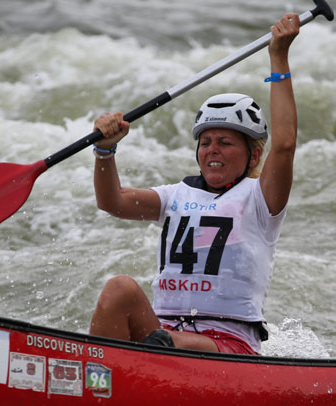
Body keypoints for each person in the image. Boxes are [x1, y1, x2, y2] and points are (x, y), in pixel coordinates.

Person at [86, 13, 300, 355]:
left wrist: (279, 56)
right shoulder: (175, 196)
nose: (212, 150)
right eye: (206, 142)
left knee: (163, 342)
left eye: (225, 143)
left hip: (229, 344)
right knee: (119, 289)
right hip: (164, 334)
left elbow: (285, 144)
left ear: (254, 156)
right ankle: (96, 374)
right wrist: (104, 151)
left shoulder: (261, 200)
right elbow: (112, 201)